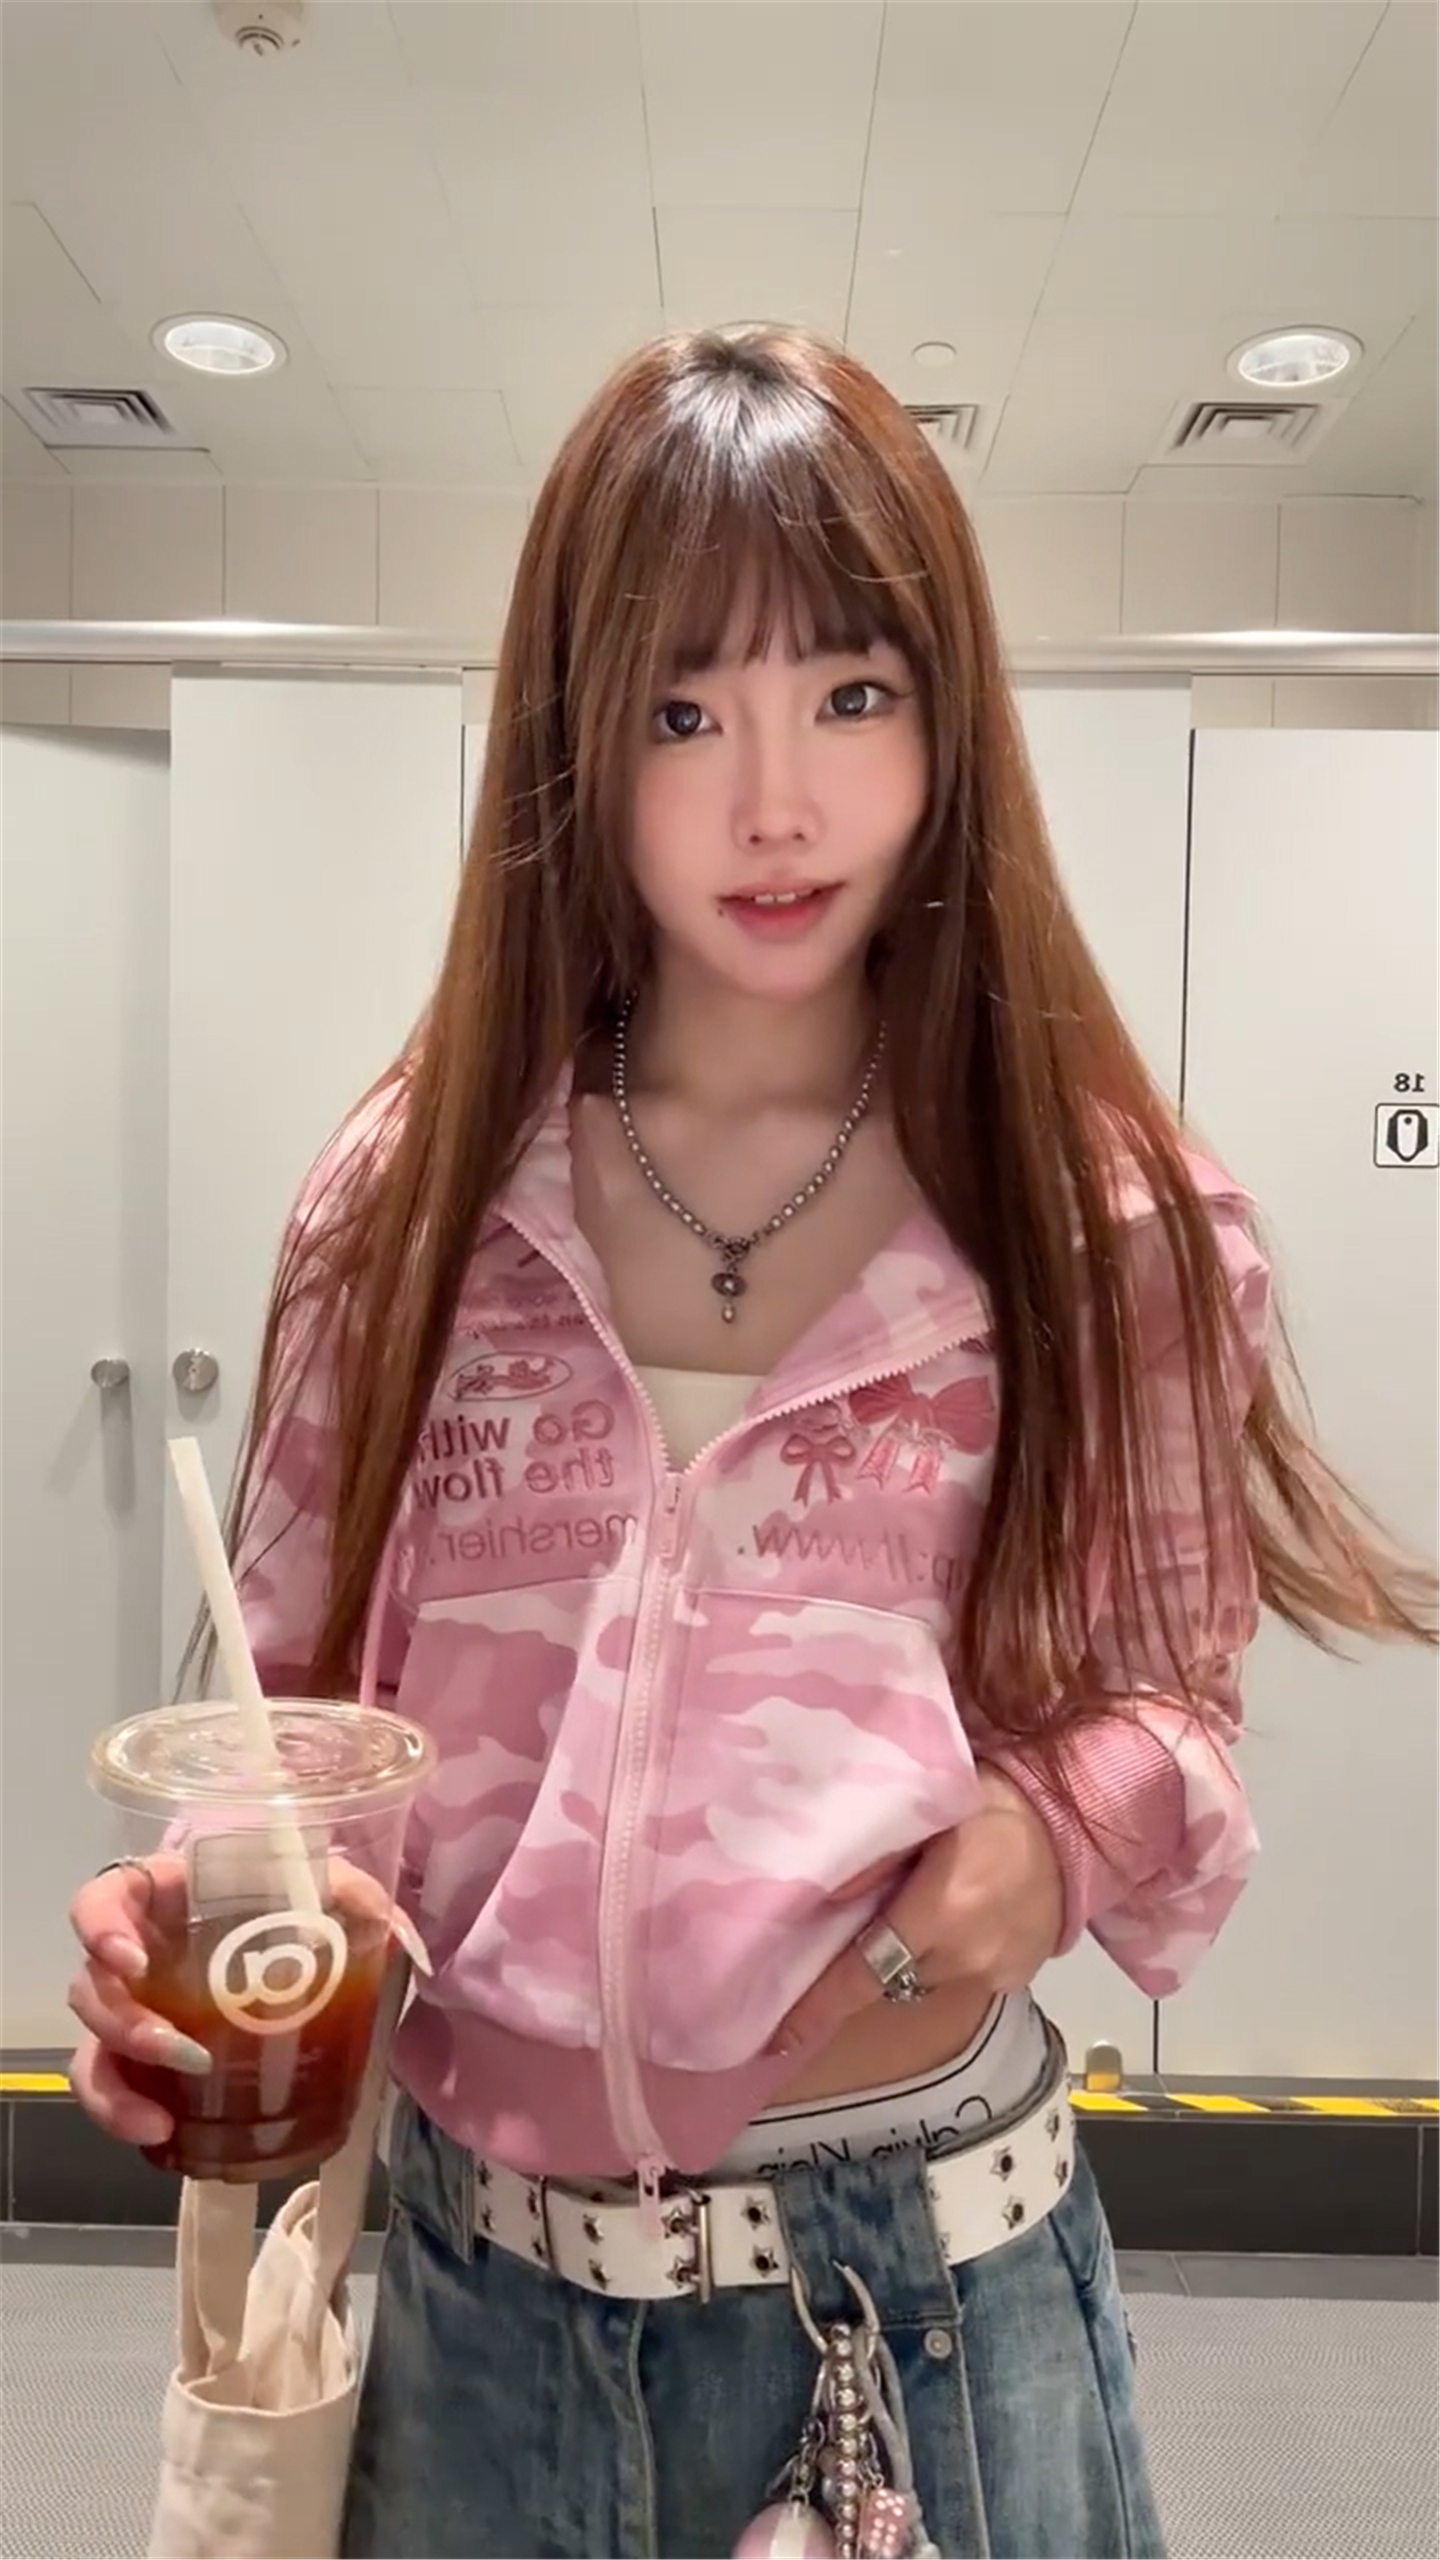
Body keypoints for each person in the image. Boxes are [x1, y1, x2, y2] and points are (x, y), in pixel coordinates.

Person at [67, 324, 1434, 2560]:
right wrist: (201, 1918)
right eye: (684, 712)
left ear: (948, 724)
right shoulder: (411, 1207)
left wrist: (1049, 1835)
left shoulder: (1100, 1217)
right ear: (575, 737)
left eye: (851, 695)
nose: (775, 803)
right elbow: (289, 1731)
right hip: (483, 2318)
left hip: (921, 2298)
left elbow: (1173, 1709)